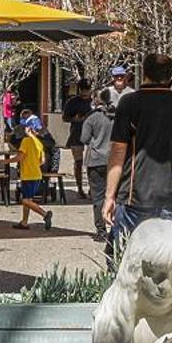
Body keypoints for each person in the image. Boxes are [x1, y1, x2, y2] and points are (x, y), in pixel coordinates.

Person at [105, 53, 172, 243]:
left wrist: (109, 197)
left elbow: (118, 152)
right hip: (168, 194)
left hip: (133, 195)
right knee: (163, 261)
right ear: (170, 76)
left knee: (124, 258)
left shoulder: (129, 103)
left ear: (144, 74)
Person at [79, 87, 117, 240]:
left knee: (98, 196)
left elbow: (83, 138)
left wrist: (95, 142)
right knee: (115, 195)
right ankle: (116, 226)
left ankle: (100, 229)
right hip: (114, 159)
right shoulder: (117, 116)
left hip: (95, 160)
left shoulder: (92, 118)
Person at [13, 114, 53, 230]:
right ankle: (24, 222)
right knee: (28, 199)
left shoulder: (26, 141)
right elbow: (42, 161)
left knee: (24, 200)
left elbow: (19, 157)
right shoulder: (39, 143)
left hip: (27, 175)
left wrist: (6, 161)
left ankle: (45, 214)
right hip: (37, 174)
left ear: (29, 128)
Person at [61, 81, 93, 193]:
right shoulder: (72, 102)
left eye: (87, 89)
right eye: (82, 89)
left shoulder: (94, 102)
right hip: (76, 134)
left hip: (93, 136)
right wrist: (75, 119)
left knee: (92, 163)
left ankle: (92, 188)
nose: (84, 92)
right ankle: (79, 188)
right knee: (78, 162)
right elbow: (64, 118)